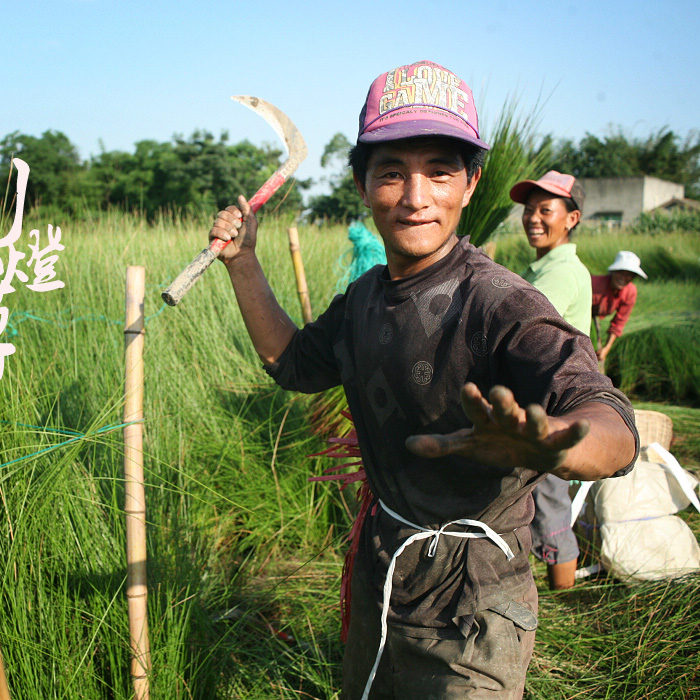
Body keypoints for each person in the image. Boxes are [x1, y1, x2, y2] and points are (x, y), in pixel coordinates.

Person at [206, 59, 638, 699]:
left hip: (477, 602)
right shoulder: (362, 302)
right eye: (391, 173)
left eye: (439, 172)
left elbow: (610, 419)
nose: (415, 197)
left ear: (470, 184)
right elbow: (293, 364)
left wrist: (561, 444)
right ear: (361, 183)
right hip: (384, 573)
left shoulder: (500, 304)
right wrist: (243, 264)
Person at [509, 170, 591, 591]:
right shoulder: (542, 268)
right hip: (540, 402)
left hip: (553, 407)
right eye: (528, 210)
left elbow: (519, 333)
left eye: (546, 210)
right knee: (542, 499)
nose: (533, 218)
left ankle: (565, 599)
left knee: (550, 503)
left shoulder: (559, 274)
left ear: (571, 218)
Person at [592, 251, 648, 364]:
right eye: (620, 272)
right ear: (613, 272)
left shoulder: (630, 292)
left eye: (629, 274)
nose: (623, 278)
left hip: (594, 318)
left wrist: (606, 348)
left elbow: (619, 322)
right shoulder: (594, 284)